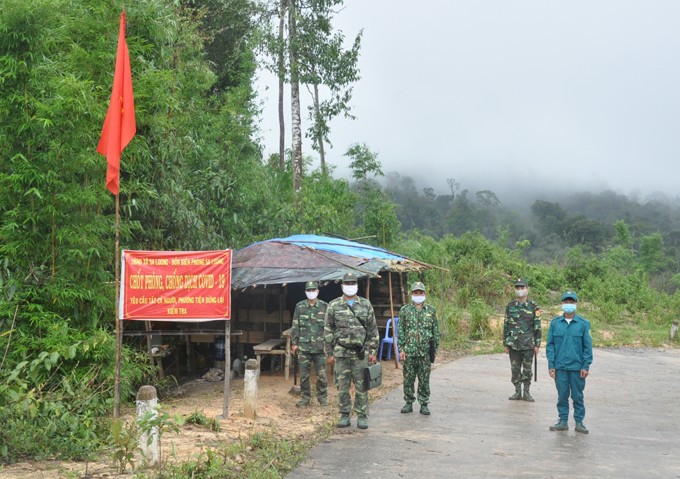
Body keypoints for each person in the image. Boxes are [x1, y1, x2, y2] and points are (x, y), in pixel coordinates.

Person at [324, 272, 379, 429]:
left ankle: (362, 416)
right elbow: (328, 329)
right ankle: (344, 415)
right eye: (347, 284)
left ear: (357, 285)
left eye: (352, 283)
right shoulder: (333, 305)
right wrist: (329, 353)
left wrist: (373, 352)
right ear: (342, 286)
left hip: (360, 353)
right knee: (342, 386)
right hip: (341, 352)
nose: (350, 286)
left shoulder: (365, 304)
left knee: (362, 385)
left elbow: (372, 330)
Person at [546, 291, 593, 434]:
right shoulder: (555, 324)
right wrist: (551, 365)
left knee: (578, 396)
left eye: (571, 302)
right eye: (566, 302)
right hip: (560, 367)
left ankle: (579, 422)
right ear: (562, 304)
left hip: (577, 368)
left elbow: (587, 347)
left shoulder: (583, 324)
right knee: (562, 395)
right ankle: (563, 421)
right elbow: (550, 346)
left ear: (576, 304)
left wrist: (586, 366)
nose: (568, 305)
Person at [398, 281, 440, 415]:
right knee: (408, 378)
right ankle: (408, 402)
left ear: (424, 294)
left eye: (420, 293)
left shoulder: (431, 311)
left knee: (424, 379)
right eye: (416, 293)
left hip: (425, 352)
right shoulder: (405, 310)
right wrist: (402, 349)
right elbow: (401, 331)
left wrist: (435, 349)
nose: (418, 295)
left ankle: (424, 403)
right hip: (409, 352)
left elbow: (435, 331)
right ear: (412, 294)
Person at [503, 278, 541, 402]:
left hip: (528, 343)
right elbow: (506, 325)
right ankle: (517, 391)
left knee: (527, 369)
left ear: (527, 289)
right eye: (517, 288)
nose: (520, 290)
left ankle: (526, 392)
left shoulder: (534, 307)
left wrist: (537, 344)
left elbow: (537, 326)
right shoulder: (510, 306)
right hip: (513, 343)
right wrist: (505, 343)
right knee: (515, 369)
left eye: (522, 288)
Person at [291, 281, 329, 407]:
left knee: (322, 375)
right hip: (304, 347)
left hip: (320, 347)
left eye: (313, 290)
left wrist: (329, 345)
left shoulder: (325, 306)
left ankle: (322, 398)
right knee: (304, 376)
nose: (311, 292)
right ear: (305, 292)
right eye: (309, 290)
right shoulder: (300, 306)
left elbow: (329, 327)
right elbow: (295, 325)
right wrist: (294, 343)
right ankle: (305, 398)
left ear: (317, 291)